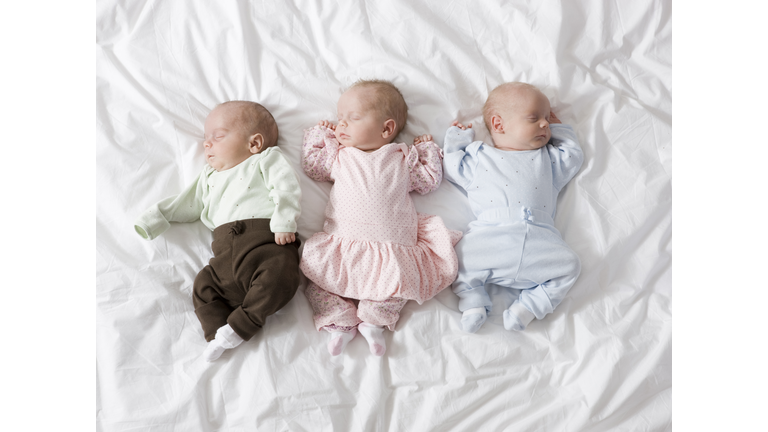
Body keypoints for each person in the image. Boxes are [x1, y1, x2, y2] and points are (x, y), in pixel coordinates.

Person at [301, 79, 461, 356]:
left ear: (386, 128)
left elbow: (428, 181)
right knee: (316, 278)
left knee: (399, 284)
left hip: (391, 247)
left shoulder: (402, 158)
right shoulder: (340, 156)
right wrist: (320, 136)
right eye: (340, 119)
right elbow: (313, 167)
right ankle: (338, 320)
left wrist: (426, 151)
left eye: (352, 119)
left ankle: (374, 320)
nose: (341, 125)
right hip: (344, 243)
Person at [134, 101, 302, 361]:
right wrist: (156, 217)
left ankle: (241, 325)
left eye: (218, 136)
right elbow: (186, 204)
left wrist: (284, 222)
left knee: (282, 273)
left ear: (254, 143)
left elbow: (286, 188)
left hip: (266, 245)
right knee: (203, 284)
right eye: (205, 138)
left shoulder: (265, 160)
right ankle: (216, 332)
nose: (206, 144)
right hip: (223, 256)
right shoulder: (209, 176)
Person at [443, 82, 583, 333]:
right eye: (534, 118)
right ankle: (473, 302)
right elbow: (452, 167)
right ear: (498, 125)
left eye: (547, 120)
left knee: (570, 265)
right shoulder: (479, 156)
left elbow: (572, 156)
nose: (545, 124)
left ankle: (528, 307)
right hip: (489, 235)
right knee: (457, 257)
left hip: (539, 238)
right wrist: (457, 140)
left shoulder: (549, 160)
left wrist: (561, 128)